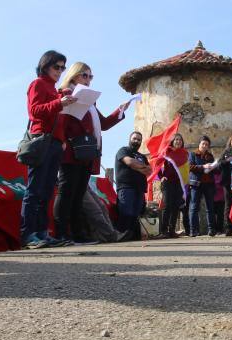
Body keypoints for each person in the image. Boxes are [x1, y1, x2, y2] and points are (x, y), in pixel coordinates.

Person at [54, 62, 129, 245]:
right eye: (84, 75)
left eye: (90, 76)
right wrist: (61, 141)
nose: (88, 80)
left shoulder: (90, 100)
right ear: (73, 76)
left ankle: (78, 235)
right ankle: (62, 234)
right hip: (71, 151)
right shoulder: (65, 95)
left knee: (78, 195)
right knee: (66, 193)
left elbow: (102, 124)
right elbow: (61, 121)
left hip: (87, 153)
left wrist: (120, 110)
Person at [20, 51, 77, 249]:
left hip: (54, 143)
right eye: (56, 67)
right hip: (41, 141)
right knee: (34, 190)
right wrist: (58, 103)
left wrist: (61, 140)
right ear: (45, 66)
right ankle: (28, 234)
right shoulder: (38, 84)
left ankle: (42, 233)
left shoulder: (55, 90)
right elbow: (34, 111)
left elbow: (57, 118)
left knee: (45, 191)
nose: (60, 71)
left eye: (62, 68)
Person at [114, 131, 150, 241]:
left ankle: (132, 238)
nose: (136, 141)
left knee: (136, 214)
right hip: (126, 187)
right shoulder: (124, 150)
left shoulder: (142, 156)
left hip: (139, 189)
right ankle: (120, 237)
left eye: (139, 139)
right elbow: (129, 161)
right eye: (134, 138)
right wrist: (139, 167)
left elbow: (149, 170)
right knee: (126, 212)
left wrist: (137, 166)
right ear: (130, 139)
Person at [188, 135, 219, 237]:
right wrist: (203, 167)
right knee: (194, 207)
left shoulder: (210, 156)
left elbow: (216, 171)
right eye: (203, 144)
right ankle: (194, 230)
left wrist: (214, 166)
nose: (205, 146)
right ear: (199, 144)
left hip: (209, 184)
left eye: (207, 144)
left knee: (210, 207)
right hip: (196, 184)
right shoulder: (193, 154)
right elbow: (190, 167)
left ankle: (211, 230)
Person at [158, 133, 187, 238]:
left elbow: (186, 169)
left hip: (178, 183)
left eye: (180, 140)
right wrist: (161, 176)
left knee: (175, 207)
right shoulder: (166, 152)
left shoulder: (184, 154)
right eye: (176, 140)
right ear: (172, 141)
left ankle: (172, 230)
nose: (178, 141)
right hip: (167, 182)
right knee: (167, 205)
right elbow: (157, 164)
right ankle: (163, 231)